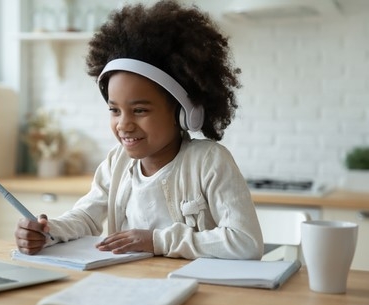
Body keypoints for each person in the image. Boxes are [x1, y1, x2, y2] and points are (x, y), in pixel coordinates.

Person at [15, 0, 264, 260]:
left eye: (140, 110)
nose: (123, 124)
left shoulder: (209, 162)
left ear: (183, 113)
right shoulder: (116, 163)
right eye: (115, 110)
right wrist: (49, 230)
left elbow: (246, 242)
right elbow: (87, 217)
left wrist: (156, 241)